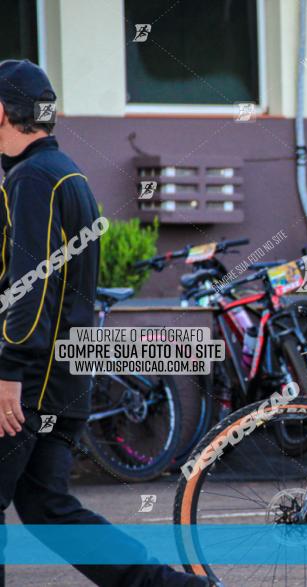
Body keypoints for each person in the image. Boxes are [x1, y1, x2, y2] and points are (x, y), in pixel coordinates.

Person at [0, 60, 208, 586]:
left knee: (48, 508)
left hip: (30, 386)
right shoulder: (65, 173)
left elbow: (31, 287)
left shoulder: (32, 180)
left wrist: (8, 374)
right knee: (49, 508)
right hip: (62, 381)